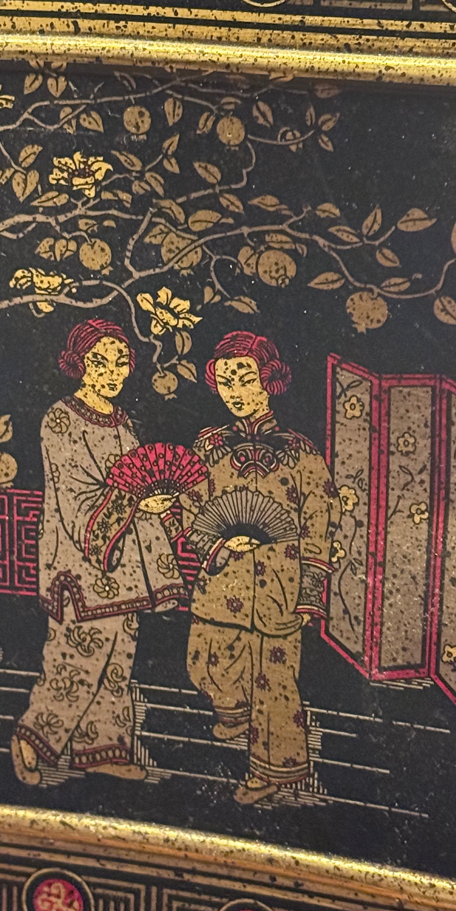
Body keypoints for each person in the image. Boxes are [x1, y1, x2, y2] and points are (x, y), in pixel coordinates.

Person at [12, 319, 186, 786]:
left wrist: (158, 505)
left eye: (120, 362)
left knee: (116, 665)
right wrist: (134, 501)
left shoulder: (123, 421)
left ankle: (101, 749)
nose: (111, 372)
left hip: (125, 567)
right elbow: (74, 498)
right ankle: (32, 739)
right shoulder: (61, 419)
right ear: (79, 363)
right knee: (76, 662)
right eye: (99, 361)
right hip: (83, 562)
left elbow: (140, 479)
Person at [180, 332, 341, 805]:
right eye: (226, 380)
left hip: (278, 582)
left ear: (268, 381)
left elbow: (320, 518)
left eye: (245, 379)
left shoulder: (299, 451)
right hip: (221, 578)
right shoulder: (208, 446)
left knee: (275, 680)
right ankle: (233, 711)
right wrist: (217, 541)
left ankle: (274, 767)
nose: (235, 390)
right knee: (204, 663)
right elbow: (191, 509)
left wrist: (310, 590)